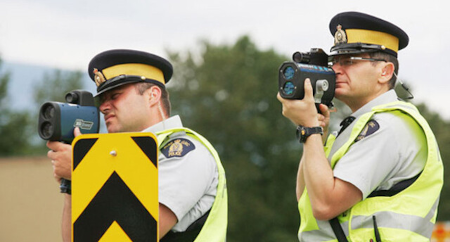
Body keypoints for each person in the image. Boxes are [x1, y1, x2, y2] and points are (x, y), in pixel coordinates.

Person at [277, 11, 443, 241]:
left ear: (385, 72)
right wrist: (314, 132)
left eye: (349, 61)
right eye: (334, 61)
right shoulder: (358, 126)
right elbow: (306, 196)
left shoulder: (388, 125)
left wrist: (310, 128)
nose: (336, 69)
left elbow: (325, 205)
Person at [47, 49, 228, 242]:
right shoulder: (117, 156)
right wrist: (74, 184)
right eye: (102, 100)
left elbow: (133, 235)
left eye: (115, 95)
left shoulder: (183, 152)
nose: (103, 107)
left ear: (153, 95)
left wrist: (83, 171)